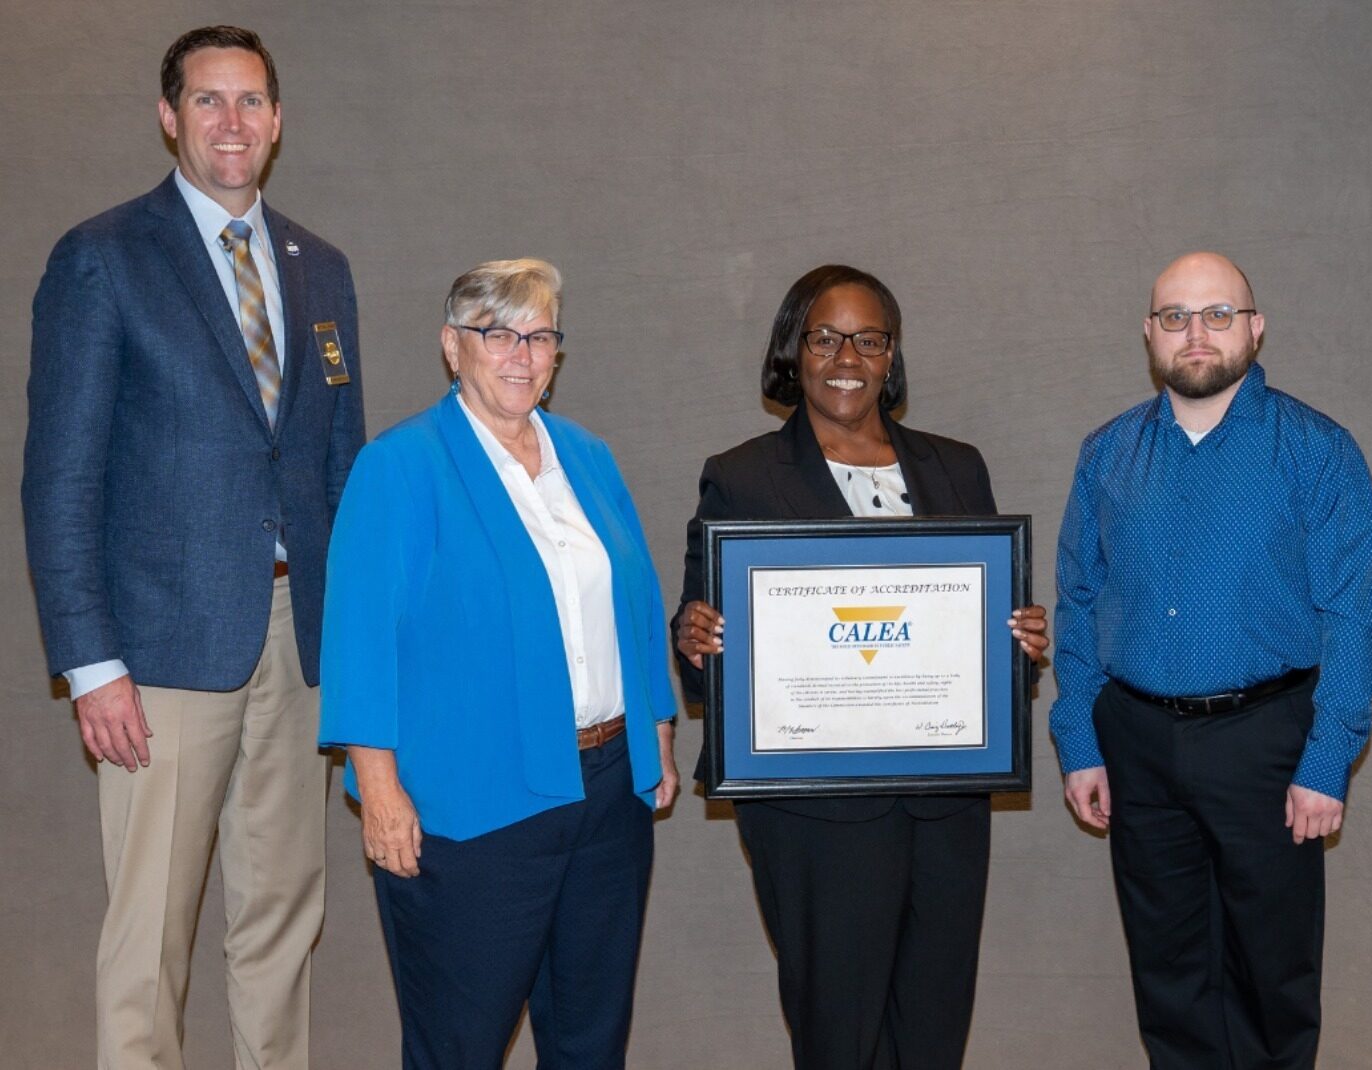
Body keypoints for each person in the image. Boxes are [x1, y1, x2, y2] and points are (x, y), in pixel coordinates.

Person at [20, 25, 364, 1068]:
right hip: (160, 651)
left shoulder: (321, 269)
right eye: (207, 100)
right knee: (149, 936)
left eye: (250, 100)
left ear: (278, 120)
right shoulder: (104, 257)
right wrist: (92, 663)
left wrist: (351, 643)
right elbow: (60, 477)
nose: (231, 121)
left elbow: (339, 471)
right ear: (169, 116)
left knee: (283, 917)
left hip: (297, 644)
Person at [672, 264, 1049, 1069]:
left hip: (945, 810)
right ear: (793, 350)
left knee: (935, 1031)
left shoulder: (957, 467)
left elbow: (985, 644)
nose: (848, 357)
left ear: (891, 356)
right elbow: (706, 663)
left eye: (869, 339)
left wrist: (1017, 643)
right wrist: (696, 639)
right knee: (839, 1037)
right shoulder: (741, 476)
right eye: (826, 337)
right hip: (816, 819)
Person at [318, 259, 678, 1067]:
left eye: (540, 336)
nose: (522, 354)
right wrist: (377, 788)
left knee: (590, 1043)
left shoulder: (587, 456)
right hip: (471, 808)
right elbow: (359, 637)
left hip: (606, 797)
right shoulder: (401, 466)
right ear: (453, 347)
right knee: (460, 1046)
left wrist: (657, 730)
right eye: (498, 334)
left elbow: (635, 595)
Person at [1050, 252, 1372, 1069]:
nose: (1195, 333)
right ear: (1149, 333)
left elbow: (1353, 617)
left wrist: (1328, 758)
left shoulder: (1316, 451)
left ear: (1255, 328)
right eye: (1175, 316)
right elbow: (1078, 603)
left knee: (1273, 977)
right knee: (1170, 982)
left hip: (1267, 743)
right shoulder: (1106, 454)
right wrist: (1081, 740)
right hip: (1136, 743)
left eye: (1217, 314)